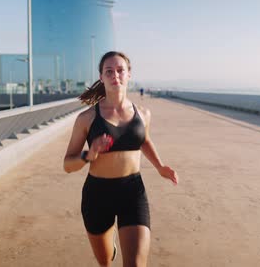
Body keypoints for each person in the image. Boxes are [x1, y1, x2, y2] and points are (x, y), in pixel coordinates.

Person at [64, 51, 179, 267]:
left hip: (132, 192)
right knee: (105, 262)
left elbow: (144, 140)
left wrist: (160, 167)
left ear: (128, 75)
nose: (115, 75)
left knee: (135, 264)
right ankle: (111, 244)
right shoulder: (87, 118)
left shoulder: (143, 113)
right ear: (101, 77)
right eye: (109, 71)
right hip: (97, 195)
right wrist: (89, 155)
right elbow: (67, 165)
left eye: (120, 70)